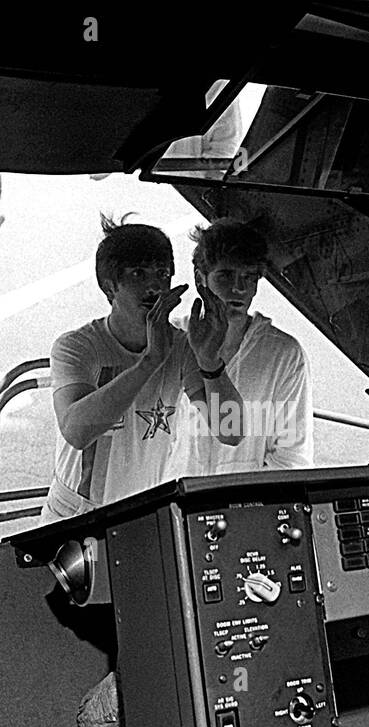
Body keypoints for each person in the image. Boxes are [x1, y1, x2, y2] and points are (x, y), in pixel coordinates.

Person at [38, 213, 244, 526]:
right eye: (138, 274)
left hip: (142, 514)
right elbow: (76, 431)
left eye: (163, 273)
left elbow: (231, 432)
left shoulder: (181, 345)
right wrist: (150, 360)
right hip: (76, 515)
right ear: (110, 286)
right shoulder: (77, 347)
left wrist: (209, 360)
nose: (154, 286)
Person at [173, 217, 312, 475]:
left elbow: (290, 458)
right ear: (200, 277)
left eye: (249, 277)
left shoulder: (282, 354)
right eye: (226, 275)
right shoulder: (171, 340)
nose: (238, 288)